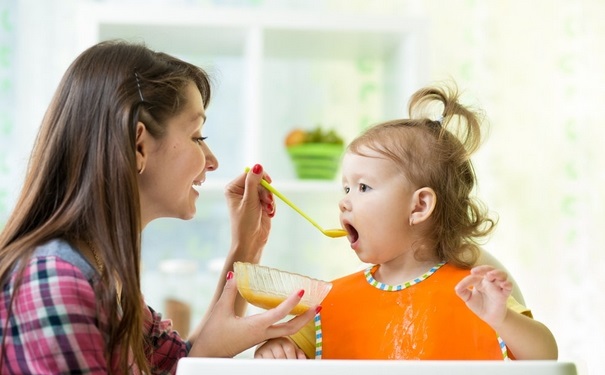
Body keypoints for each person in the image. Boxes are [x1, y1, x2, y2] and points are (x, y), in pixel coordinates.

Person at [0, 40, 318, 374]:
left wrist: (247, 244)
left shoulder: (110, 281)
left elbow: (181, 363)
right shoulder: (56, 281)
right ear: (139, 145)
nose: (212, 162)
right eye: (198, 137)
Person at [254, 83, 558, 360]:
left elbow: (544, 357)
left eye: (363, 187)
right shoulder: (330, 302)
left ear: (420, 206)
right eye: (345, 187)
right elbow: (286, 356)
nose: (344, 201)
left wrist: (502, 318)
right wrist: (274, 350)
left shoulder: (474, 292)